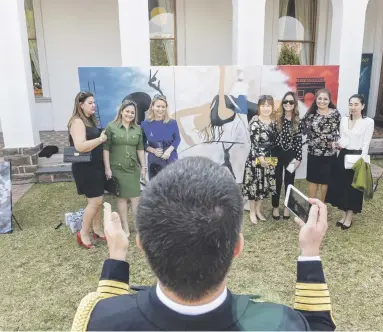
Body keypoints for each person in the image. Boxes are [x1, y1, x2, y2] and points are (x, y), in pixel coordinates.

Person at [72, 157, 336, 331]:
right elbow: (316, 327)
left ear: (142, 244)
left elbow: (108, 317)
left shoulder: (97, 318)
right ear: (237, 247)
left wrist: (116, 260)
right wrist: (310, 253)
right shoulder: (279, 324)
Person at [326, 94, 374, 230]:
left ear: (363, 106)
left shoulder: (368, 122)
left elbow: (366, 143)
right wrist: (336, 144)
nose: (353, 107)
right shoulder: (344, 120)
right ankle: (343, 214)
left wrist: (363, 161)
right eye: (351, 104)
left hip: (357, 157)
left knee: (353, 188)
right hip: (343, 155)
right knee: (341, 186)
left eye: (356, 104)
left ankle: (349, 217)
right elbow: (343, 139)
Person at [68, 91, 108, 249]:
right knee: (95, 201)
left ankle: (96, 229)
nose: (94, 105)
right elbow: (79, 146)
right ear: (81, 104)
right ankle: (83, 232)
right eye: (90, 103)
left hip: (95, 165)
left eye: (94, 102)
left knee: (98, 201)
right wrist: (100, 139)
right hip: (85, 167)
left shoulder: (89, 120)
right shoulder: (77, 122)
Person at [103, 100, 146, 237]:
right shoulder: (111, 126)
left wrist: (143, 166)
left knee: (135, 198)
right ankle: (125, 228)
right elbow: (106, 149)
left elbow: (140, 149)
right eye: (127, 111)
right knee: (121, 199)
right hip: (117, 168)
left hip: (133, 168)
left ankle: (139, 228)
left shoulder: (138, 129)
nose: (129, 114)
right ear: (121, 111)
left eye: (132, 112)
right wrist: (107, 168)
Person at [242, 95, 279, 224]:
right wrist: (261, 158)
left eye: (268, 106)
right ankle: (252, 211)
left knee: (265, 185)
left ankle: (258, 210)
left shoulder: (274, 122)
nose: (266, 108)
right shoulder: (254, 121)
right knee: (254, 185)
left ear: (272, 107)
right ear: (259, 107)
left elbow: (275, 142)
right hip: (256, 157)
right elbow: (255, 143)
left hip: (270, 156)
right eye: (263, 106)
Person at [302, 89, 341, 201]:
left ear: (329, 100)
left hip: (329, 154)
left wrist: (336, 142)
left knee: (326, 181)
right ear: (316, 100)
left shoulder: (335, 114)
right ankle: (311, 206)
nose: (322, 101)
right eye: (319, 98)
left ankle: (322, 206)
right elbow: (302, 129)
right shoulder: (310, 114)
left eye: (325, 99)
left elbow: (342, 132)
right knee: (313, 180)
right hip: (314, 152)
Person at [272, 92, 303, 220]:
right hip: (276, 153)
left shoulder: (297, 120)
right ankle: (275, 207)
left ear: (294, 104)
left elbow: (299, 141)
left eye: (291, 102)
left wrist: (299, 158)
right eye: (285, 102)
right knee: (277, 181)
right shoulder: (276, 118)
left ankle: (287, 207)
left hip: (291, 154)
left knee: (289, 181)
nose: (288, 104)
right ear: (282, 103)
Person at [141, 94, 181, 179]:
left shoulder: (172, 123)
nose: (160, 109)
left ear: (166, 108)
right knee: (155, 188)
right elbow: (142, 143)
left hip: (170, 159)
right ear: (152, 107)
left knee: (171, 186)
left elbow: (177, 139)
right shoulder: (145, 124)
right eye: (158, 106)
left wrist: (168, 151)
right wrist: (153, 150)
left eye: (163, 107)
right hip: (154, 161)